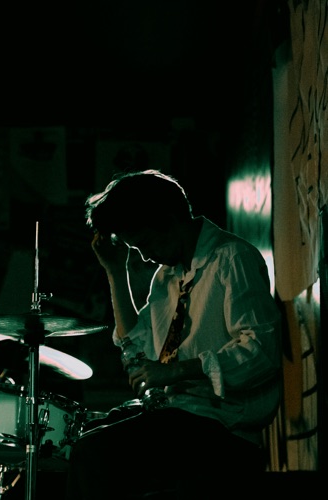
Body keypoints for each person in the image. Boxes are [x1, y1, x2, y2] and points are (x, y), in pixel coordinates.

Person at [65, 169, 283, 500]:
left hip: (222, 426)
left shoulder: (232, 258)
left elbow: (261, 351)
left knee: (93, 454)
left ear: (169, 221)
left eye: (145, 243)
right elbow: (136, 348)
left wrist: (178, 371)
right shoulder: (167, 277)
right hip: (178, 415)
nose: (144, 255)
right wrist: (115, 272)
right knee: (81, 439)